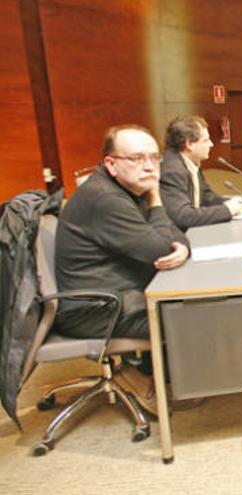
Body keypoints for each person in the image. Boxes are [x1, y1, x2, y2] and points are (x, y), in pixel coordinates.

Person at [55, 125, 191, 413]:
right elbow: (160, 250)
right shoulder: (106, 199)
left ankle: (157, 374)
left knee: (188, 302)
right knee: (187, 316)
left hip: (118, 292)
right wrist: (156, 201)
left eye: (155, 158)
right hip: (95, 309)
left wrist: (183, 247)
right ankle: (136, 376)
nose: (149, 167)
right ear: (111, 164)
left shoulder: (126, 189)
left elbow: (175, 235)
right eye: (137, 158)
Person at [160, 115, 242, 230]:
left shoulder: (191, 161)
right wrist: (227, 210)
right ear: (189, 144)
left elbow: (205, 195)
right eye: (206, 140)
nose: (211, 144)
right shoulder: (171, 170)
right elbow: (182, 216)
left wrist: (228, 202)